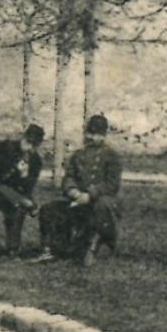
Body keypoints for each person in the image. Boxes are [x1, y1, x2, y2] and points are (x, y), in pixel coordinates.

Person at [35, 114, 123, 266]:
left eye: (98, 134)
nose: (94, 138)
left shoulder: (112, 156)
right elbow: (69, 177)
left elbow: (112, 184)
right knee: (49, 209)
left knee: (101, 206)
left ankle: (93, 247)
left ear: (104, 135)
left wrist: (90, 195)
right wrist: (73, 191)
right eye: (91, 133)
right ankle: (53, 248)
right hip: (77, 199)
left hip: (102, 200)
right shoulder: (78, 155)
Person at [0, 124, 44, 256]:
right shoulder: (5, 147)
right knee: (16, 201)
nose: (29, 147)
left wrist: (24, 175)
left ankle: (13, 248)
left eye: (34, 145)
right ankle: (27, 205)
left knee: (17, 206)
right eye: (28, 142)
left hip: (17, 192)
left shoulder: (35, 161)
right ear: (23, 137)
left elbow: (29, 186)